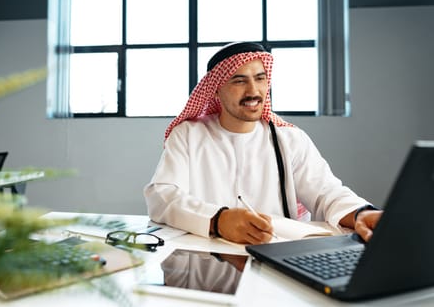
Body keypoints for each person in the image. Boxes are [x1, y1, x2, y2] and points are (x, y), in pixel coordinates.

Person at [143, 41, 382, 244]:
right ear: (215, 90)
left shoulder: (289, 138)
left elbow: (326, 192)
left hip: (278, 255)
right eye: (239, 81)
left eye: (260, 78)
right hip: (207, 256)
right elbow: (162, 195)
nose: (253, 90)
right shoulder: (188, 135)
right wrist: (218, 220)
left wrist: (360, 213)